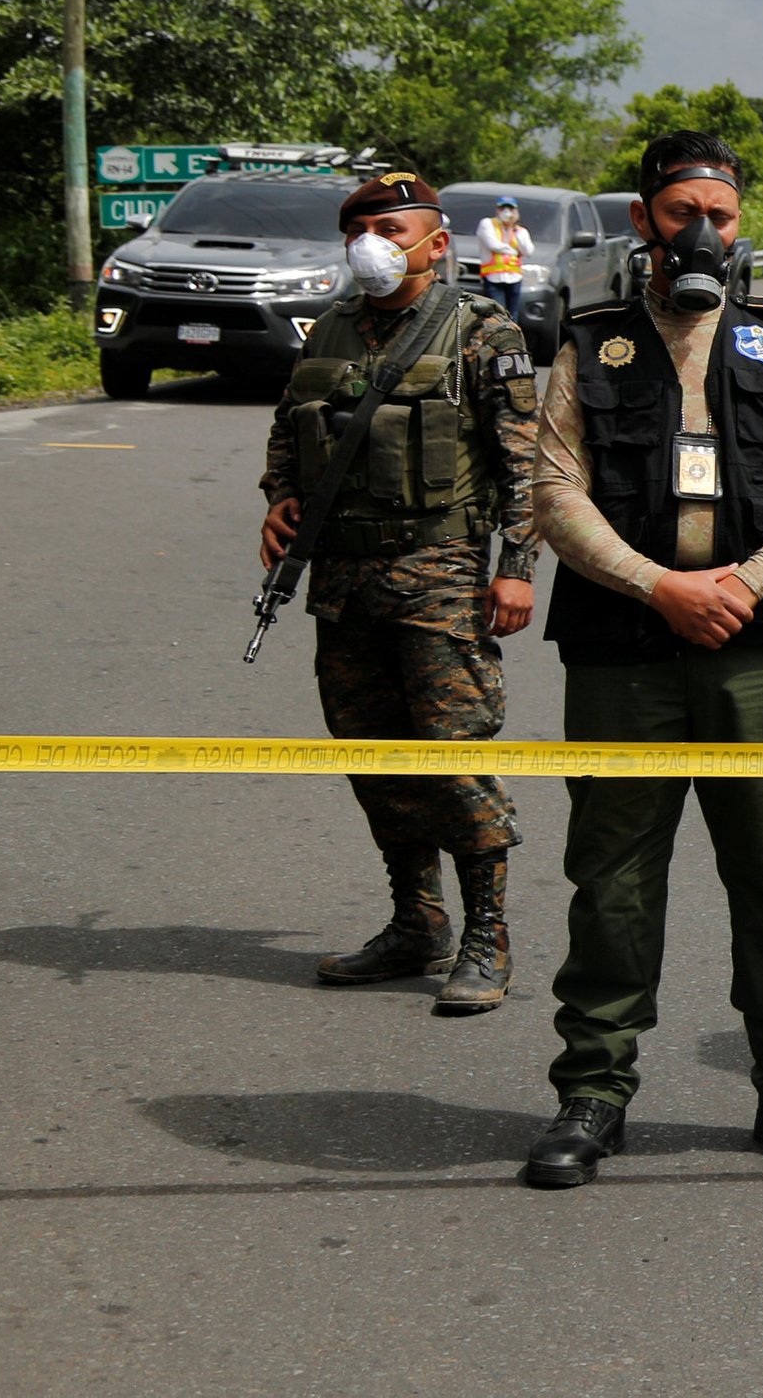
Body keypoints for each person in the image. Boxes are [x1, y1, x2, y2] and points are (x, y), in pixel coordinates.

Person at [519, 132, 763, 1190]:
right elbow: (551, 491)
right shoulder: (589, 346)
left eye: (719, 210)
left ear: (740, 219)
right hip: (623, 648)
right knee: (612, 880)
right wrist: (654, 585)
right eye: (681, 212)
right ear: (644, 222)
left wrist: (748, 582)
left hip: (757, 651)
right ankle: (592, 1093)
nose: (703, 232)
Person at [257, 168, 538, 1015]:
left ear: (437, 242)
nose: (370, 243)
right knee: (372, 756)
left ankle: (489, 935)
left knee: (453, 756)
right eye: (357, 228)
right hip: (342, 579)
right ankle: (416, 923)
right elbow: (288, 429)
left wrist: (516, 569)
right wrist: (277, 501)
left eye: (389, 226)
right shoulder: (331, 326)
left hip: (439, 574)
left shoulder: (482, 330)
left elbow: (526, 463)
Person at [475, 197, 535, 321]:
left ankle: (512, 338)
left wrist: (514, 228)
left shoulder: (520, 231)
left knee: (513, 315)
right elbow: (493, 245)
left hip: (514, 277)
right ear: (498, 210)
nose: (507, 212)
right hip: (494, 277)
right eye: (503, 208)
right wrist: (512, 251)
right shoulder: (487, 224)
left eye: (510, 209)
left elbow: (528, 251)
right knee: (498, 314)